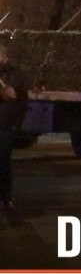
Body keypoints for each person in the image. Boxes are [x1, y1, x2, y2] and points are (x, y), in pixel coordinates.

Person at [0, 44, 30, 211]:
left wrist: (16, 124)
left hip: (5, 126)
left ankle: (6, 197)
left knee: (4, 162)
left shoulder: (14, 74)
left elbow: (21, 100)